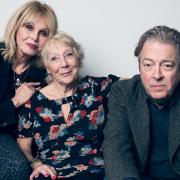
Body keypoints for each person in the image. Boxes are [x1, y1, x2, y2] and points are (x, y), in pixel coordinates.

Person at [17, 32, 119, 180]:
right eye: (54, 59)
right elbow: (23, 145)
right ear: (47, 67)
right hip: (51, 173)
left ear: (78, 58)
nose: (64, 64)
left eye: (69, 55)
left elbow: (135, 84)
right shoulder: (33, 102)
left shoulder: (97, 87)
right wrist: (36, 165)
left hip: (96, 171)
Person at [102, 25, 180, 180]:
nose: (156, 75)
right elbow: (116, 147)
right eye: (148, 65)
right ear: (139, 67)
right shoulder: (124, 92)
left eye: (167, 65)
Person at [0, 1, 58, 179]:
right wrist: (15, 101)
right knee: (16, 167)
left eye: (43, 33)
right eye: (29, 27)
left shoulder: (43, 75)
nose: (34, 37)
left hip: (19, 141)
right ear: (16, 25)